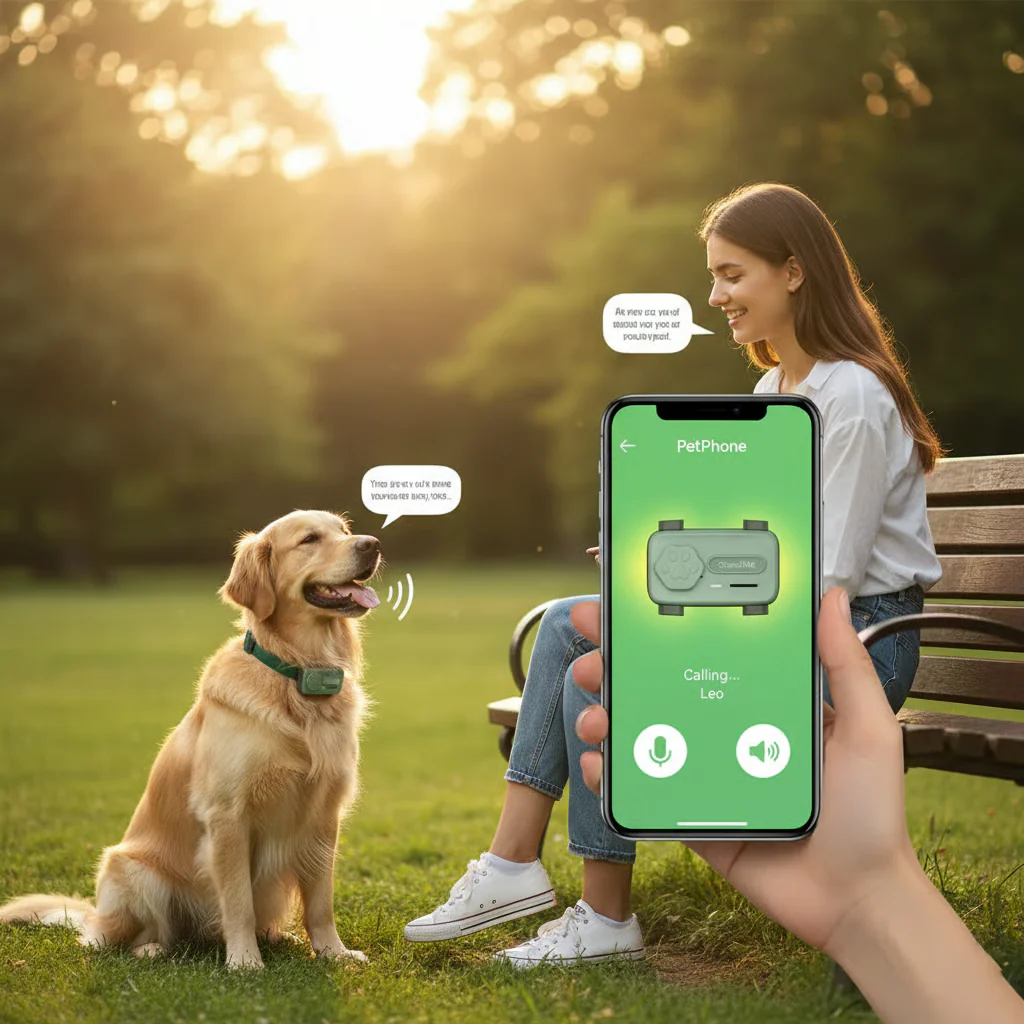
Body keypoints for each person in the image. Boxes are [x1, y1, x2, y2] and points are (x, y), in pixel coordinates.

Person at [404, 182, 944, 966]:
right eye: (714, 278)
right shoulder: (775, 390)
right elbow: (758, 539)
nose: (717, 296)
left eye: (732, 275)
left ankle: (600, 915)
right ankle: (514, 866)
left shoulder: (852, 396)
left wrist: (679, 605)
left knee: (612, 655)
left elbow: (827, 577)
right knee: (568, 623)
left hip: (856, 645)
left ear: (794, 272)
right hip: (790, 624)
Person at [571, 589, 1024, 1024]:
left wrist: (870, 893)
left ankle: (566, 893)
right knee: (578, 635)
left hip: (867, 635)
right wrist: (871, 897)